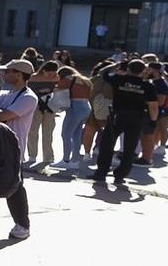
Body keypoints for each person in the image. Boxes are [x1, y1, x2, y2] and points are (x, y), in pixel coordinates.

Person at [0, 60, 37, 240]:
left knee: (14, 186)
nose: (4, 74)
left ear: (19, 74)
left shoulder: (29, 97)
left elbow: (4, 115)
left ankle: (23, 225)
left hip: (14, 149)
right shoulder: (4, 95)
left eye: (9, 71)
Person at [94, 58, 155, 188]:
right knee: (129, 149)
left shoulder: (118, 79)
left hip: (118, 115)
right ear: (143, 71)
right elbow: (153, 106)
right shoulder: (148, 86)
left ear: (128, 69)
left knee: (107, 145)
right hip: (136, 118)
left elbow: (102, 72)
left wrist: (115, 64)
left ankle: (101, 173)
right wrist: (153, 121)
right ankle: (120, 176)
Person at [26, 61, 63, 169]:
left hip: (50, 107)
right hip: (36, 106)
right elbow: (27, 90)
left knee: (48, 133)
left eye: (53, 73)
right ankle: (32, 155)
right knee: (33, 132)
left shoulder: (57, 77)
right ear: (43, 70)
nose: (51, 76)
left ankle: (48, 157)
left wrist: (53, 90)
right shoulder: (32, 78)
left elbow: (60, 90)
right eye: (49, 74)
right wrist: (40, 90)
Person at [58, 66, 93, 171]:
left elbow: (58, 89)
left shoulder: (67, 80)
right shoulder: (85, 80)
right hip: (86, 107)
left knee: (66, 134)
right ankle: (75, 161)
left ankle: (66, 160)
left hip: (75, 107)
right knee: (76, 135)